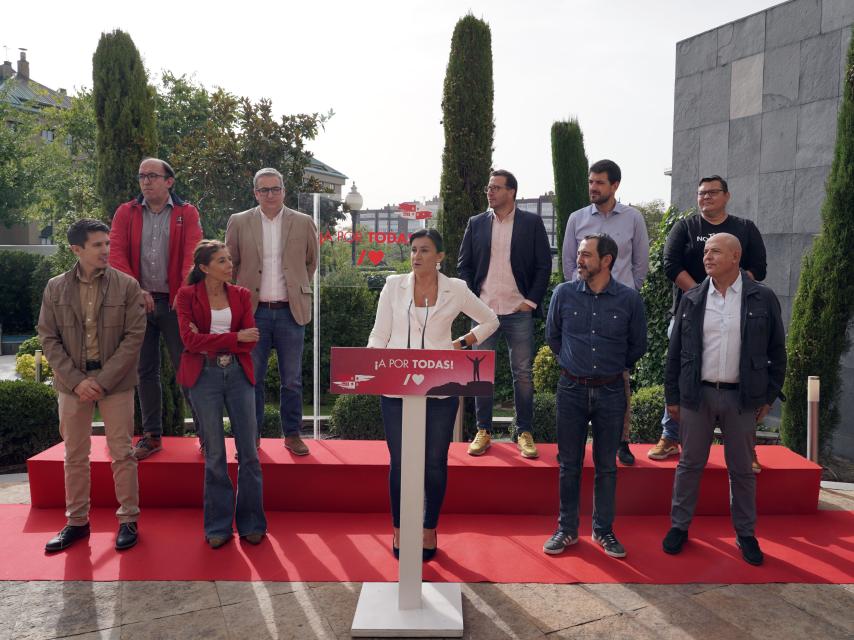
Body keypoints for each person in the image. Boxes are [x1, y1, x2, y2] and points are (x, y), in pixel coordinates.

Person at [368, 228, 499, 560]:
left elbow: (490, 320)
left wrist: (459, 345)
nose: (416, 256)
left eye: (424, 250)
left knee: (434, 463)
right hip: (396, 387)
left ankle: (428, 529)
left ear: (439, 257)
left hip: (442, 388)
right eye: (413, 250)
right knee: (400, 462)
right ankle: (399, 530)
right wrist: (373, 369)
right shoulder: (392, 286)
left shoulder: (456, 289)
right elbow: (379, 333)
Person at [662, 233, 785, 566]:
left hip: (742, 397)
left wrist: (769, 395)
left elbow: (778, 352)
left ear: (736, 256)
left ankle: (745, 534)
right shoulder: (692, 298)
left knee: (742, 470)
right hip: (697, 395)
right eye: (705, 251)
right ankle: (679, 527)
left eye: (715, 251)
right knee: (689, 466)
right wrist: (672, 395)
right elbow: (675, 354)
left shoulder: (762, 298)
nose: (707, 257)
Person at [38, 219, 147, 552]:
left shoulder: (127, 285)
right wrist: (76, 381)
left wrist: (100, 381)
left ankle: (128, 520)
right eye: (97, 245)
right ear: (77, 249)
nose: (106, 250)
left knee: (122, 454)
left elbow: (134, 337)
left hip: (114, 382)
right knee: (74, 455)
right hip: (72, 385)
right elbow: (48, 337)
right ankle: (77, 523)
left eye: (107, 243)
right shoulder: (55, 287)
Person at [650, 175, 767, 475]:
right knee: (680, 369)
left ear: (727, 196)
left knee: (742, 370)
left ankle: (747, 449)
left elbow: (759, 268)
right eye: (701, 193)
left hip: (739, 315)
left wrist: (731, 292)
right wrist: (701, 296)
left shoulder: (744, 229)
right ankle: (669, 437)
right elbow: (670, 264)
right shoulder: (686, 227)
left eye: (712, 193)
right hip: (689, 312)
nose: (705, 198)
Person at [543, 233, 647, 559]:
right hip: (570, 388)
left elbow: (637, 346)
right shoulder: (563, 294)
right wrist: (574, 364)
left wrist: (612, 367)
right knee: (568, 465)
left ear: (606, 260)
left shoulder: (629, 300)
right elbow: (553, 337)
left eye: (587, 255)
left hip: (612, 391)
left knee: (607, 467)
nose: (579, 259)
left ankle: (603, 531)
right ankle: (567, 529)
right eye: (580, 254)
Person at [109, 157, 203, 459]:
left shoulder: (187, 213)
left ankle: (205, 434)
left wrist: (184, 291)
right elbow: (116, 254)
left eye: (153, 176)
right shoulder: (126, 212)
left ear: (169, 181)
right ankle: (151, 436)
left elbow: (193, 253)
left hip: (176, 303)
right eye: (142, 176)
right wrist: (137, 290)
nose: (146, 181)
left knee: (186, 369)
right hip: (138, 303)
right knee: (144, 371)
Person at [175, 240, 266, 548]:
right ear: (204, 268)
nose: (230, 265)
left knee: (249, 454)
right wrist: (233, 337)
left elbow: (251, 340)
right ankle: (217, 527)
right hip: (204, 377)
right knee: (214, 454)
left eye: (229, 259)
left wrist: (215, 339)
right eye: (222, 261)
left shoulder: (240, 294)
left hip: (239, 374)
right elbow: (189, 341)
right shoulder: (187, 296)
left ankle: (253, 523)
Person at [458, 169, 552, 459]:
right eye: (489, 187)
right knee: (479, 373)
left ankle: (523, 432)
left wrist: (531, 301)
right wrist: (473, 301)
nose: (490, 192)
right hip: (484, 312)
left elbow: (543, 266)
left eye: (497, 187)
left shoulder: (531, 223)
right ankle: (482, 431)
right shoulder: (476, 224)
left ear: (512, 192)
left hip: (517, 311)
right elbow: (465, 266)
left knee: (522, 374)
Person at [562, 159, 649, 467]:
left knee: (619, 377)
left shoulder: (633, 218)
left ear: (615, 185)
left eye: (599, 182)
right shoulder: (576, 219)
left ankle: (622, 442)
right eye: (590, 182)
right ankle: (571, 446)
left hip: (618, 306)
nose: (593, 188)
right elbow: (568, 264)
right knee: (575, 375)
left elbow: (641, 265)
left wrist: (625, 294)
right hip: (581, 303)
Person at [225, 168, 317, 456]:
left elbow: (310, 263)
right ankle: (250, 439)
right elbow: (230, 265)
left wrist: (296, 288)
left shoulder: (303, 222)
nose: (270, 194)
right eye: (263, 190)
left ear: (284, 191)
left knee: (292, 380)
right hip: (253, 313)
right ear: (255, 193)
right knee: (251, 378)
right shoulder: (239, 222)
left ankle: (292, 435)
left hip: (291, 312)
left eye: (275, 189)